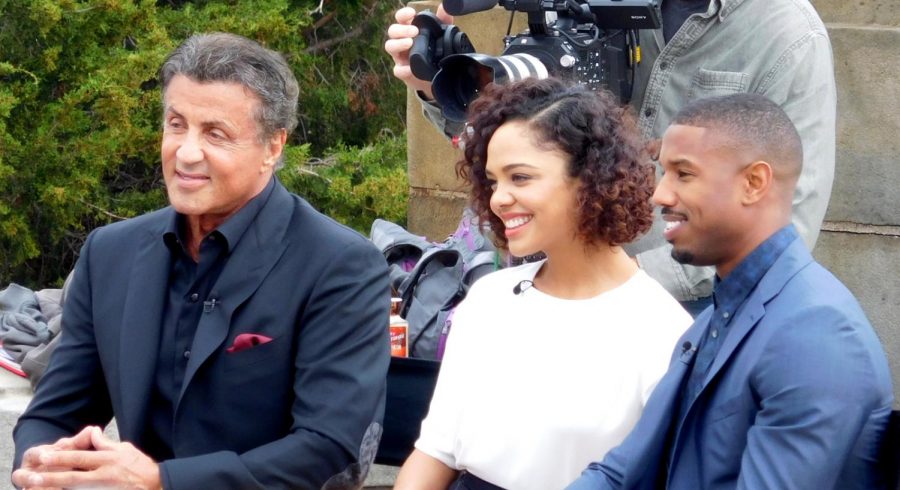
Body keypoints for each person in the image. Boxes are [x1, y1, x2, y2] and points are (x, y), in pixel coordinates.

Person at [12, 32, 391, 490]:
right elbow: (56, 413)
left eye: (215, 133)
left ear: (273, 147)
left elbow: (329, 447)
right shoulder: (110, 252)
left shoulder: (341, 266)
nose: (186, 153)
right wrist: (41, 465)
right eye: (176, 125)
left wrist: (161, 481)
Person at [384, 0, 836, 316]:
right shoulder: (584, 5)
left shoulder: (789, 34)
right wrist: (435, 90)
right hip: (553, 293)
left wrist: (618, 279)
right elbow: (526, 140)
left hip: (694, 314)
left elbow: (790, 224)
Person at [566, 93, 893, 489]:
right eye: (663, 172)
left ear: (754, 183)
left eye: (683, 174)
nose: (660, 195)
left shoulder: (816, 334)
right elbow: (622, 473)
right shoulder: (716, 319)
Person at [393, 78, 693, 490]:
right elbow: (435, 452)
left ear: (591, 179)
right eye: (493, 180)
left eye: (520, 177)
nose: (498, 198)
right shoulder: (489, 299)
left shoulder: (662, 333)